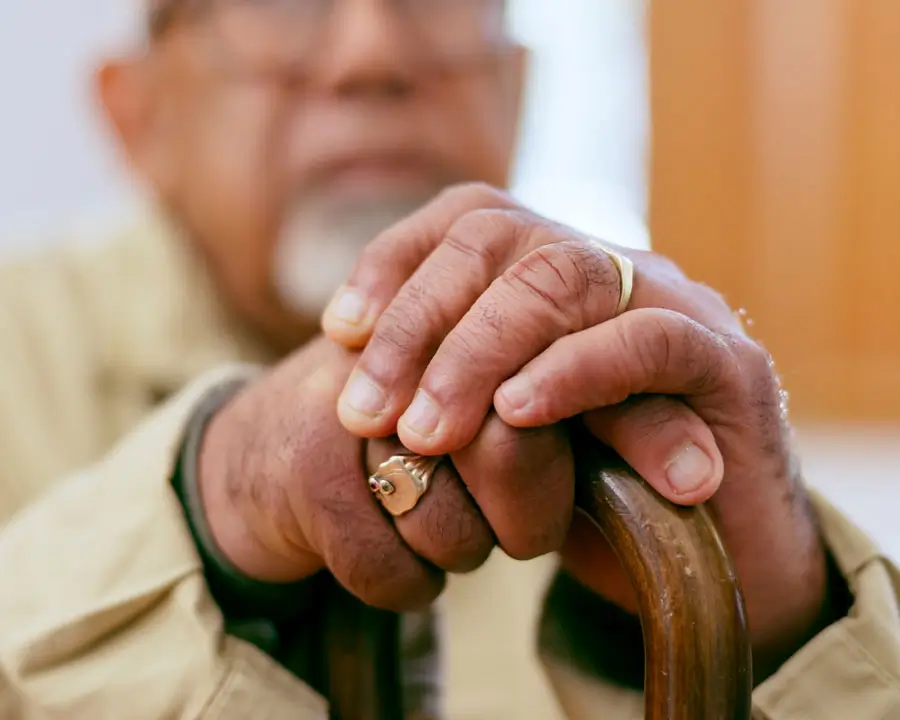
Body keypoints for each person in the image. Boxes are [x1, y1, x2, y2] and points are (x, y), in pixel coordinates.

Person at [0, 1, 898, 718]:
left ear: (516, 92)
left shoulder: (634, 390)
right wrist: (211, 502)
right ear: (138, 115)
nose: (372, 53)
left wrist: (787, 631)